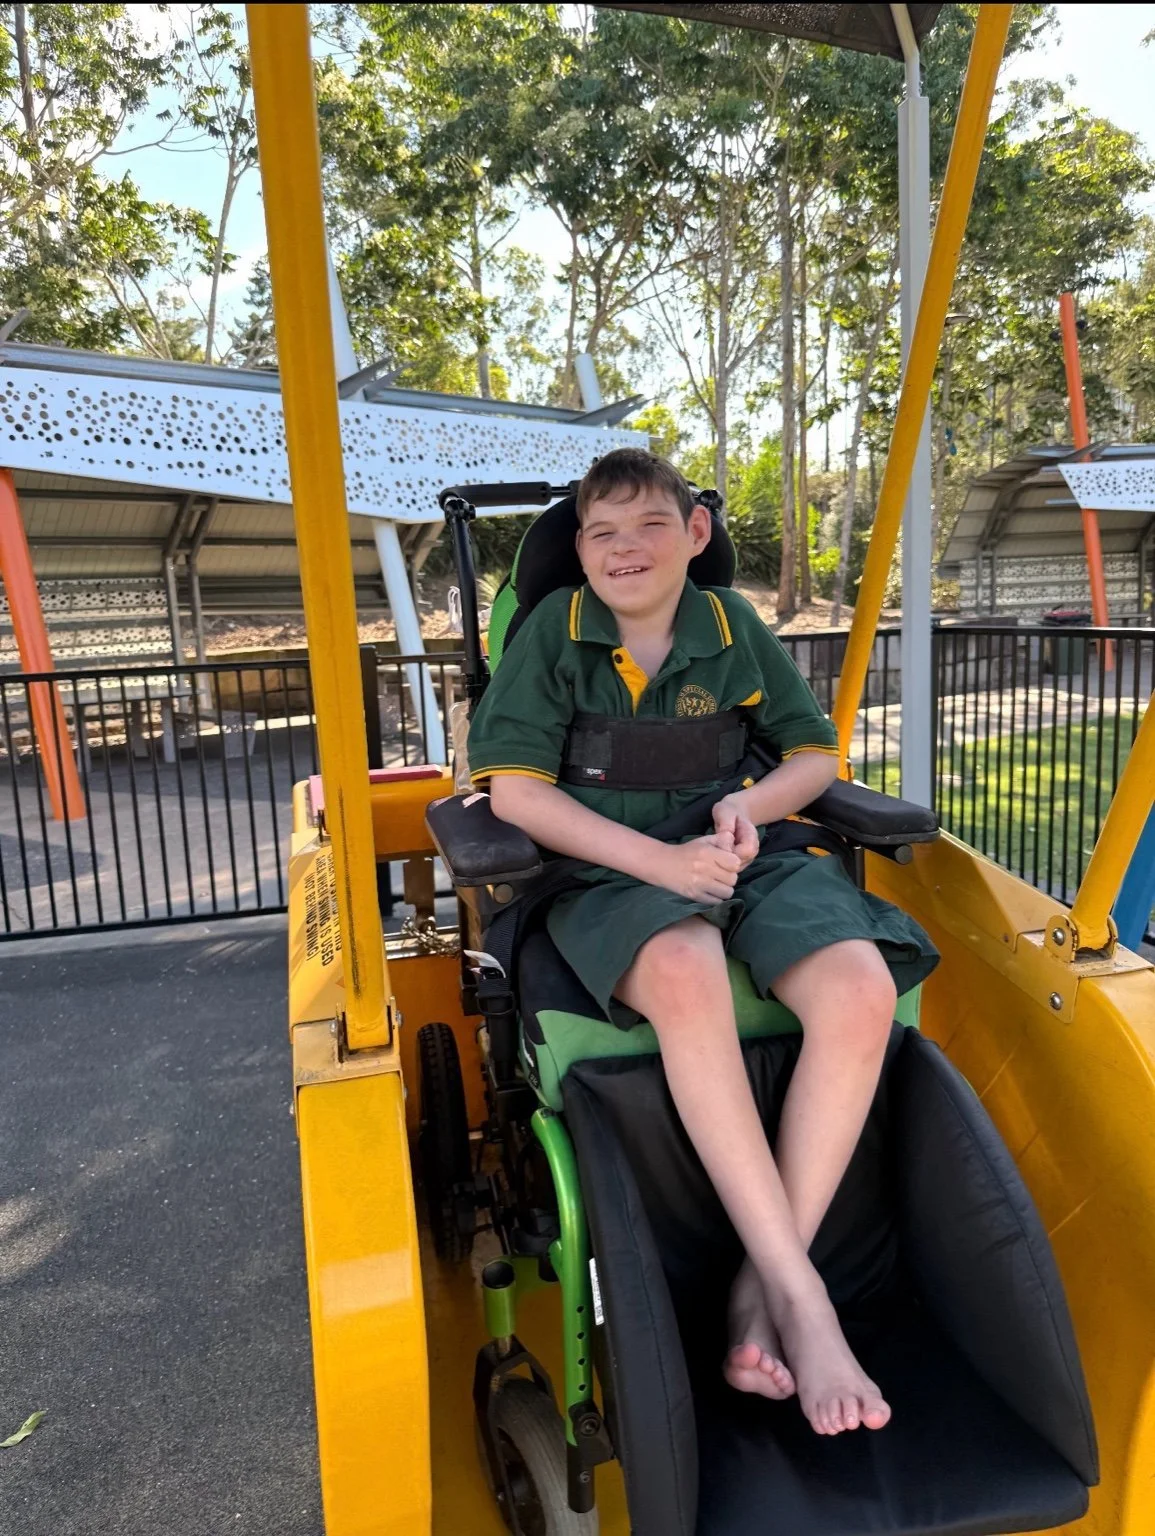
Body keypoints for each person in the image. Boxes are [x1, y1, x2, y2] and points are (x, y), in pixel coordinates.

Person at [466, 447, 938, 1437]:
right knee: (682, 965)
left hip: (738, 852)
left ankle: (762, 1288)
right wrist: (661, 866)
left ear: (695, 534)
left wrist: (748, 810)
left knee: (859, 988)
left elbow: (812, 755)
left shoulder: (733, 629)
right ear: (579, 551)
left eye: (648, 525)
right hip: (603, 870)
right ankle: (805, 1301)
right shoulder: (555, 632)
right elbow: (515, 792)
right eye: (600, 532)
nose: (623, 548)